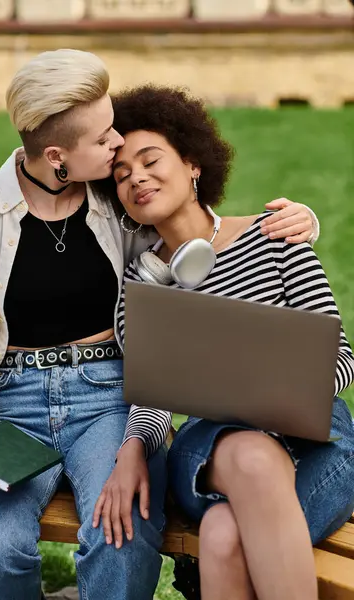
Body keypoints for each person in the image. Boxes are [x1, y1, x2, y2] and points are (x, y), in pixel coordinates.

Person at [0, 49, 318, 599]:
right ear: (57, 157)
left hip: (109, 395)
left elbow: (195, 231)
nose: (117, 146)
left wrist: (297, 219)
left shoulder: (118, 193)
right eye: (104, 139)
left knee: (121, 535)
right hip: (7, 399)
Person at [96, 84, 354, 600]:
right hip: (214, 451)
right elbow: (156, 395)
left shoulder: (276, 237)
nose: (137, 178)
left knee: (221, 535)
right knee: (251, 455)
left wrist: (275, 389)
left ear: (193, 164)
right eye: (121, 176)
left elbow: (341, 362)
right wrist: (133, 447)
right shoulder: (139, 286)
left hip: (315, 444)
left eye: (151, 161)